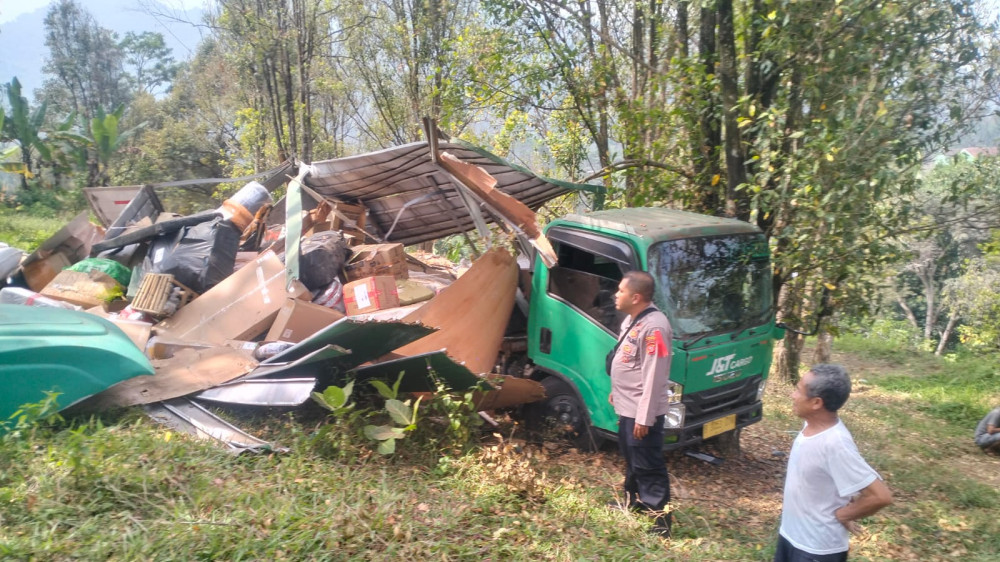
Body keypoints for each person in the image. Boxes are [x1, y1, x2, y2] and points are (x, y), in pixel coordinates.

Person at [775, 364, 893, 562]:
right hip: (790, 535)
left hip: (816, 550)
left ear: (816, 403)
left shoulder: (836, 444)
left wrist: (845, 514)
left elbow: (880, 496)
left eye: (798, 390)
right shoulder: (812, 424)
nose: (792, 395)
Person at [607, 270, 674, 538]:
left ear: (636, 297)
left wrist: (644, 418)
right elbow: (629, 362)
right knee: (633, 459)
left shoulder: (655, 327)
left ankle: (660, 522)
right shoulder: (633, 320)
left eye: (620, 291)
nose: (615, 294)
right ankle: (633, 502)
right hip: (628, 407)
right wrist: (617, 392)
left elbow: (655, 374)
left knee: (648, 465)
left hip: (641, 413)